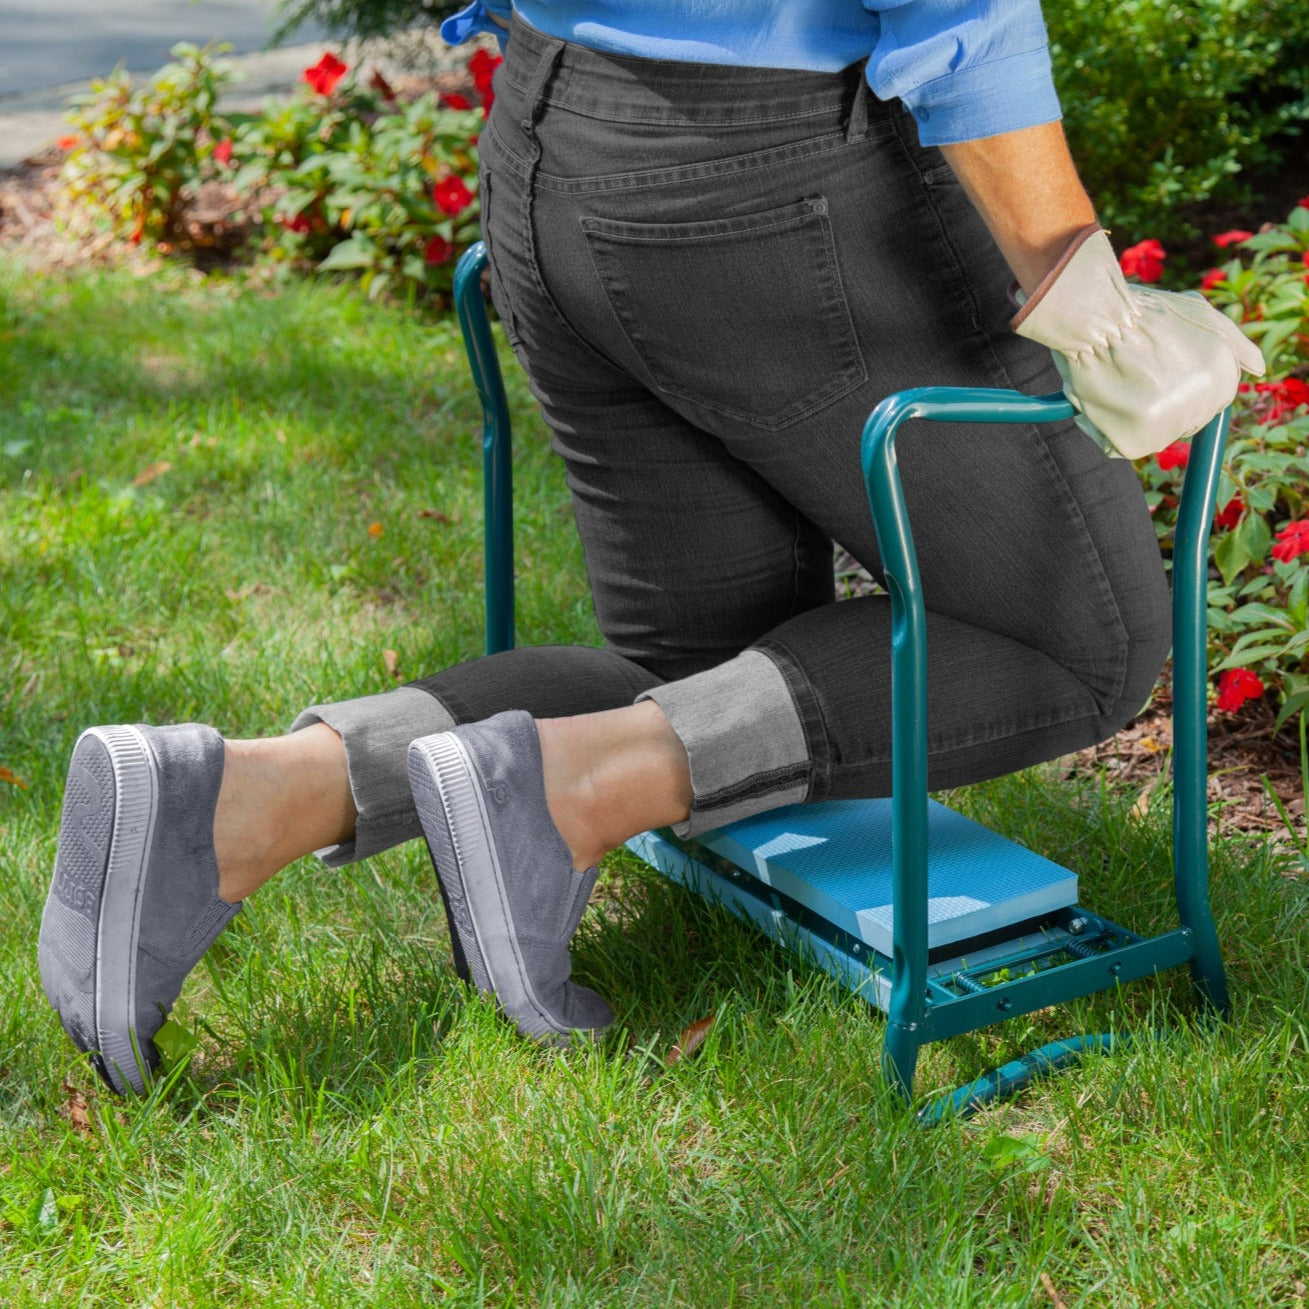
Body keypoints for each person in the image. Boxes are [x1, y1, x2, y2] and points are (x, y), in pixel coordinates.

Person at [38, 0, 1264, 1095]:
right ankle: (555, 794)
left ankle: (247, 794)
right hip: (767, 179)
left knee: (695, 693)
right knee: (1087, 639)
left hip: (551, 132)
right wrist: (1092, 305)